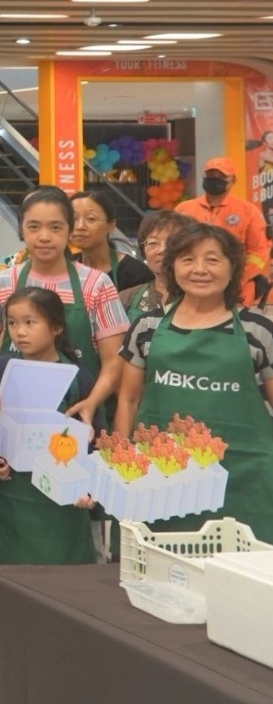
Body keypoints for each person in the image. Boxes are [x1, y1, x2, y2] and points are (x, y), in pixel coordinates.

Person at [120, 223, 273, 539]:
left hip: (242, 478)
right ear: (172, 266)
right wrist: (121, 461)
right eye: (187, 259)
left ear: (233, 268)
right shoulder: (148, 327)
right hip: (162, 476)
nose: (199, 269)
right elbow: (129, 399)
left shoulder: (257, 330)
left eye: (212, 260)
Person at [0, 187, 128, 426]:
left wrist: (92, 402)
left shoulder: (96, 284)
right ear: (21, 230)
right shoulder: (3, 282)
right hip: (10, 417)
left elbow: (114, 361)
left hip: (78, 414)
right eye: (34, 227)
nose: (44, 237)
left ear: (69, 229)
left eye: (55, 227)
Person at [0, 288, 97, 570]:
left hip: (61, 500)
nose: (19, 332)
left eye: (30, 322)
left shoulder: (78, 377)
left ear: (56, 327)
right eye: (12, 323)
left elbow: (94, 440)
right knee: (8, 578)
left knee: (60, 581)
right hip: (8, 496)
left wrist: (89, 487)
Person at [177, 157, 273, 303]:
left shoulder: (248, 211)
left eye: (221, 176)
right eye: (210, 175)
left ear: (233, 180)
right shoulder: (184, 209)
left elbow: (259, 251)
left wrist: (237, 277)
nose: (214, 179)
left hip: (237, 287)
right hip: (193, 283)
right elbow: (174, 248)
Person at [69, 189, 153, 298]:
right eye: (73, 219)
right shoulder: (65, 268)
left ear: (111, 225)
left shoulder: (137, 274)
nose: (80, 226)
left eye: (91, 219)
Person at [125, 210, 193, 317]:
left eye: (172, 242)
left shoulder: (205, 297)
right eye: (153, 243)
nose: (162, 250)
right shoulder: (126, 299)